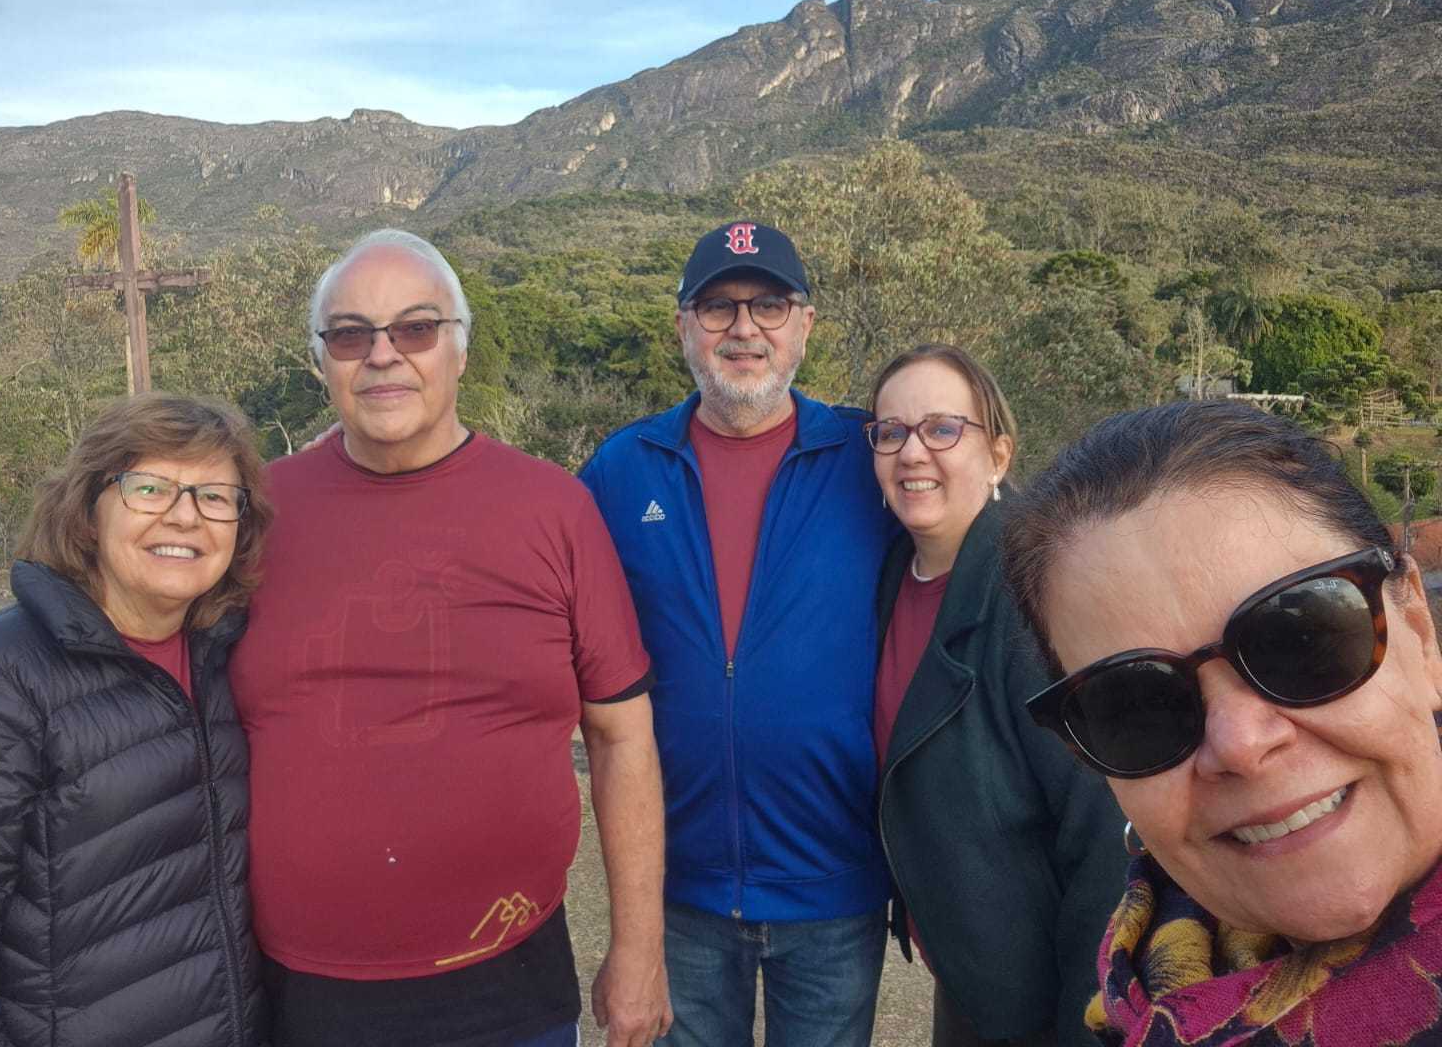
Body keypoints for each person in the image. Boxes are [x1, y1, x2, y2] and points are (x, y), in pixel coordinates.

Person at [231, 229, 669, 1047]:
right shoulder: (253, 514)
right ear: (322, 361)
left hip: (509, 983)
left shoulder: (554, 510)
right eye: (351, 334)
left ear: (460, 350)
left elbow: (621, 736)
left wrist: (639, 950)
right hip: (298, 991)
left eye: (416, 328)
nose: (383, 354)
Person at [1003, 400, 1442, 1046]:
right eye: (1138, 705)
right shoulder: (1136, 998)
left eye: (1302, 640)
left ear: (1418, 631)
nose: (1240, 744)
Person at [0, 393, 273, 1047]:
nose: (185, 515)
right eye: (150, 488)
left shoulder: (225, 661)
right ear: (87, 513)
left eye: (215, 496)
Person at [580, 221, 899, 1046]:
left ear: (805, 324)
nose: (744, 327)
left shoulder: (870, 457)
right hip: (676, 890)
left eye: (769, 305)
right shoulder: (622, 470)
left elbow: (969, 522)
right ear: (683, 327)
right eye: (717, 307)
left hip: (835, 886)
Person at [868, 344, 1125, 1047]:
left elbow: (1104, 838)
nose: (912, 452)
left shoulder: (1033, 600)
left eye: (942, 428)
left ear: (999, 455)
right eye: (891, 432)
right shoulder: (890, 578)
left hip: (1040, 990)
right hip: (970, 970)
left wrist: (1087, 1023)